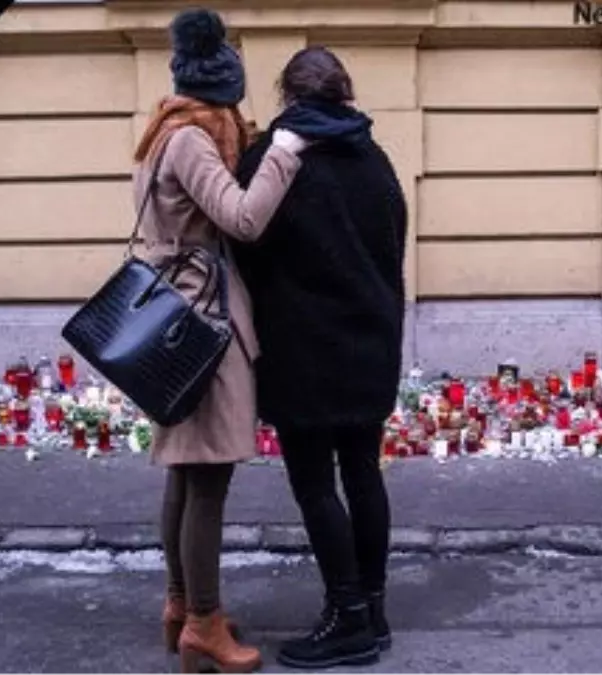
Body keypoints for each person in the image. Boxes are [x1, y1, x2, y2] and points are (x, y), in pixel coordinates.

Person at [130, 8, 309, 674]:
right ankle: (203, 625)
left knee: (185, 470)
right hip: (201, 323)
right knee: (207, 478)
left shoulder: (161, 130)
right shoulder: (191, 141)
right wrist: (283, 157)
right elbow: (242, 217)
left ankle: (181, 604)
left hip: (174, 315)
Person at [234, 46, 408, 670]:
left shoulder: (272, 159)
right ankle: (374, 607)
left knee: (314, 482)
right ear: (344, 92)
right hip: (370, 339)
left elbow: (242, 241)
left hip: (303, 348)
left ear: (289, 95)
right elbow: (394, 247)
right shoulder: (375, 159)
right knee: (362, 472)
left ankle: (348, 617)